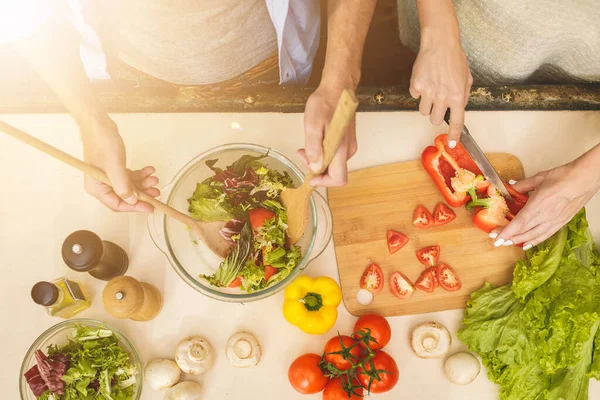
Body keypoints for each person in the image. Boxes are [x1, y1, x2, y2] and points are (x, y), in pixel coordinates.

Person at [0, 0, 372, 209]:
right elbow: (21, 15)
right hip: (129, 72)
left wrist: (341, 79)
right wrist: (89, 121)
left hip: (267, 64)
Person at [392, 0, 600, 249]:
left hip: (585, 67)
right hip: (465, 21)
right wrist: (438, 33)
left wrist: (589, 174)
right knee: (425, 86)